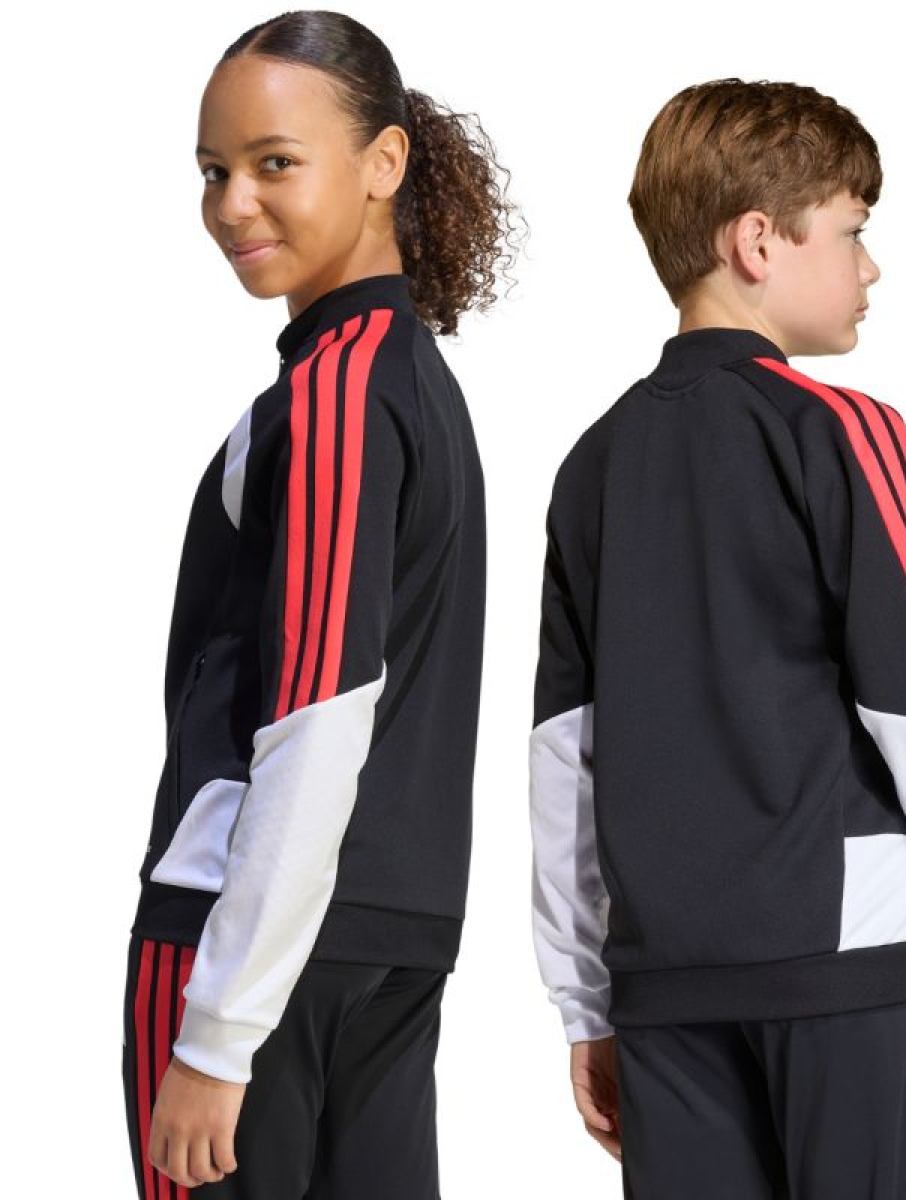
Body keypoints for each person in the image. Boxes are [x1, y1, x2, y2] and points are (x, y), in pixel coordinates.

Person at [528, 78, 906, 1199]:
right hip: (843, 970)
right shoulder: (845, 434)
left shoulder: (592, 465)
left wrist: (587, 1007)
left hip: (665, 989)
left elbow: (561, 763)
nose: (871, 268)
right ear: (758, 242)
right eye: (853, 231)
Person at [121, 10, 518, 1197]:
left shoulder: (340, 395)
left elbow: (320, 714)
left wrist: (217, 1033)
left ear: (384, 162)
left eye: (275, 163)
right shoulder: (413, 383)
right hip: (392, 936)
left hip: (252, 949)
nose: (232, 204)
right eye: (213, 171)